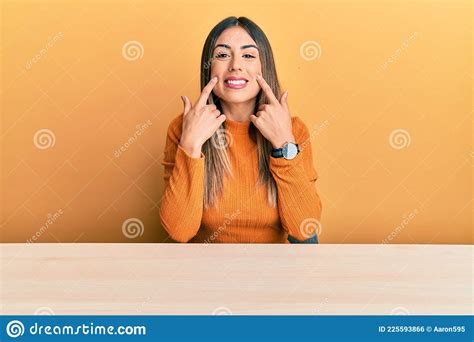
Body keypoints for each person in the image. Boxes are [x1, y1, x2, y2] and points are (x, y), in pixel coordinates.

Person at [159, 16, 322, 243]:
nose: (235, 65)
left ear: (264, 67)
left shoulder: (294, 129)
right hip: (207, 272)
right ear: (209, 67)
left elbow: (304, 230)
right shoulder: (183, 127)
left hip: (275, 271)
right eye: (223, 55)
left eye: (248, 55)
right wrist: (191, 145)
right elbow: (179, 231)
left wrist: (284, 144)